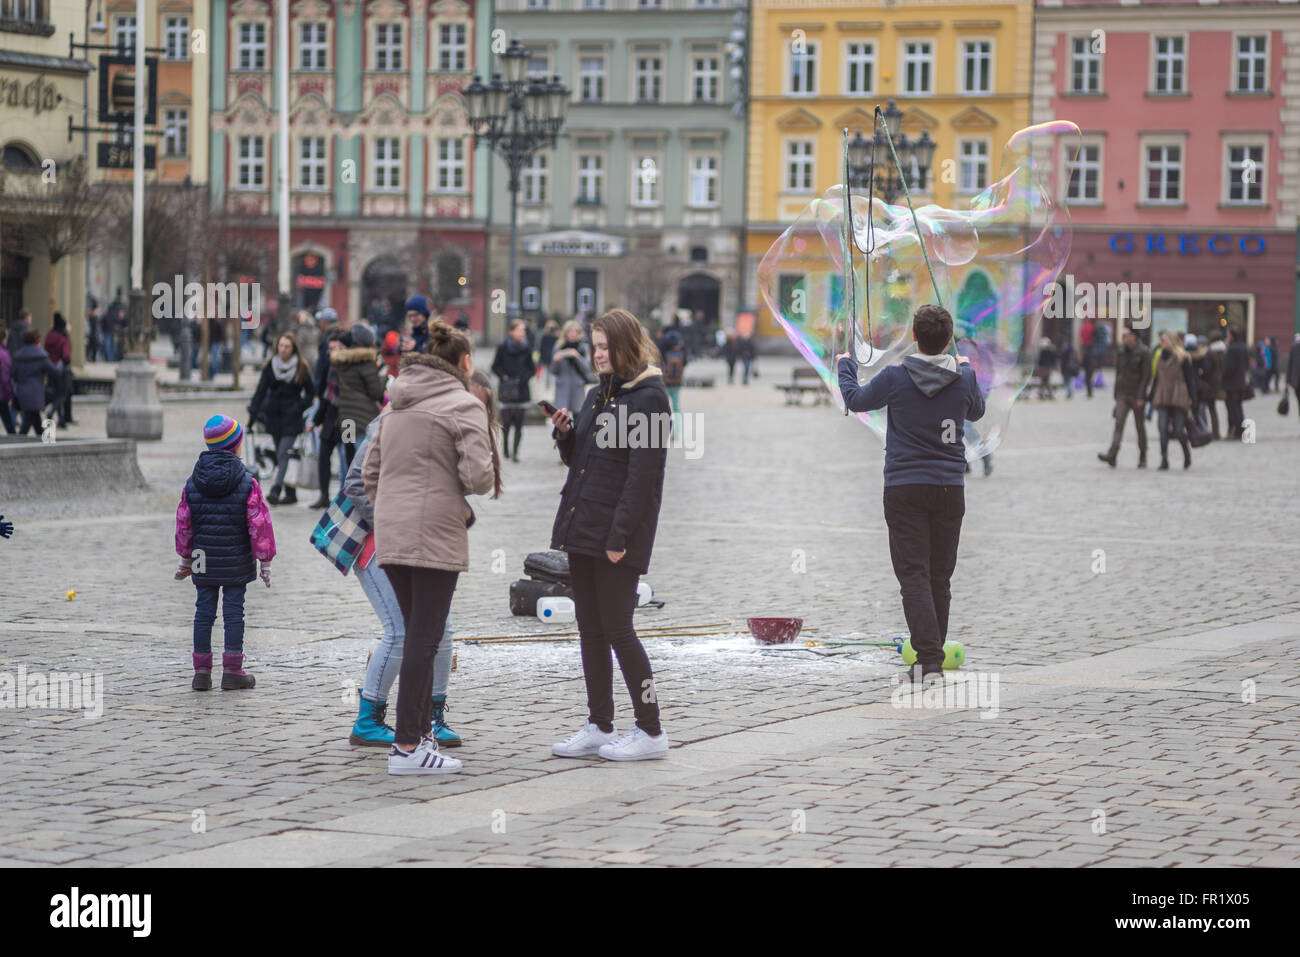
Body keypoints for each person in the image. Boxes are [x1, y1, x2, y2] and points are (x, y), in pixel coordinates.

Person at [362, 321, 497, 775]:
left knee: (421, 633)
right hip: (435, 533)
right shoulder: (462, 405)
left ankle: (417, 738)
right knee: (425, 636)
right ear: (463, 362)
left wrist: (391, 509)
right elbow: (480, 478)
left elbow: (369, 473)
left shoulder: (394, 403)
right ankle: (406, 746)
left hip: (392, 535)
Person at [835, 304, 985, 685]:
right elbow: (978, 412)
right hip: (950, 487)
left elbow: (855, 401)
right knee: (940, 575)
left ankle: (928, 660)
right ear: (948, 339)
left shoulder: (896, 378)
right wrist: (965, 368)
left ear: (915, 337)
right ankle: (931, 657)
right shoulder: (964, 377)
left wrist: (845, 366)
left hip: (905, 486)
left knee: (914, 574)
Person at [547, 309, 671, 761]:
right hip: (583, 525)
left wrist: (619, 536)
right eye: (594, 348)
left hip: (617, 535)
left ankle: (651, 730)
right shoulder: (598, 394)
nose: (598, 355)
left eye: (605, 348)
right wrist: (565, 436)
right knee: (590, 629)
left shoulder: (650, 398)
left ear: (626, 347)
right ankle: (599, 723)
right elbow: (581, 459)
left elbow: (644, 478)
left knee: (619, 628)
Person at [173, 415, 275, 691]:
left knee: (203, 612)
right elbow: (259, 524)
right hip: (236, 558)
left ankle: (201, 672)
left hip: (202, 559)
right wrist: (265, 560)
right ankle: (232, 670)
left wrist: (185, 558)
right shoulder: (247, 481)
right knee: (233, 613)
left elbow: (185, 523)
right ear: (236, 446)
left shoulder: (193, 482)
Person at [248, 333, 316, 505]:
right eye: (281, 346)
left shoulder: (301, 367)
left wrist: (300, 406)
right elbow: (260, 391)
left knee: (283, 452)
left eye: (287, 346)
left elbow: (311, 393)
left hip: (292, 417)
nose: (283, 349)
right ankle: (291, 492)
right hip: (274, 417)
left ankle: (276, 489)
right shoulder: (270, 366)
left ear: (293, 349)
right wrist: (252, 416)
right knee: (281, 455)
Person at [330, 324, 385, 471]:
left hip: (347, 418)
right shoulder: (367, 362)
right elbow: (376, 392)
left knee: (345, 455)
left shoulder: (343, 361)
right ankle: (359, 491)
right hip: (364, 418)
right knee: (362, 458)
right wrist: (383, 379)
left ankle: (344, 490)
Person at [1098, 327, 1151, 468]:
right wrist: (1116, 394)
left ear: (1134, 337)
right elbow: (1118, 373)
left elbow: (1146, 376)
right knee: (1118, 423)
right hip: (1123, 394)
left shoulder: (1144, 352)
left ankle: (1143, 455)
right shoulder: (1121, 351)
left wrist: (1141, 396)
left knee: (1139, 426)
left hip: (1136, 395)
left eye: (1126, 335)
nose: (1124, 338)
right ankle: (1112, 453)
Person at [1148, 331, 1197, 469]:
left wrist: (1194, 400)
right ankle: (1164, 459)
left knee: (1179, 430)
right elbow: (1157, 379)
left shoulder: (1183, 358)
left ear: (1170, 341)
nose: (1161, 343)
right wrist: (1151, 396)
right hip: (1163, 395)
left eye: (1163, 340)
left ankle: (1186, 452)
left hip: (1178, 395)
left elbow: (1190, 380)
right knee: (1162, 428)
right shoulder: (1159, 357)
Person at [492, 318, 534, 462]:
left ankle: (515, 452)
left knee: (519, 423)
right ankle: (505, 450)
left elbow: (532, 368)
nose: (523, 332)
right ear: (511, 331)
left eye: (524, 330)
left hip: (522, 389)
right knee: (506, 422)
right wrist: (503, 376)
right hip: (507, 389)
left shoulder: (527, 347)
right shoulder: (503, 347)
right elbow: (495, 366)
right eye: (520, 330)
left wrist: (524, 378)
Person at [12, 330, 58, 436]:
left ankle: (42, 441)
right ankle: (19, 442)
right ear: (37, 341)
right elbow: (53, 371)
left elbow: (13, 374)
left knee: (34, 417)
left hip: (22, 392)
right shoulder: (41, 356)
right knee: (29, 420)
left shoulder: (18, 356)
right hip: (36, 392)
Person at [551, 319, 593, 419]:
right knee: (562, 417)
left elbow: (587, 368)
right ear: (565, 333)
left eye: (575, 332)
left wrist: (577, 356)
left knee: (578, 417)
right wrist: (556, 361)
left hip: (577, 387)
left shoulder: (582, 347)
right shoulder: (558, 346)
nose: (573, 334)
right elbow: (553, 370)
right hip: (563, 387)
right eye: (570, 331)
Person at [43, 313, 73, 427]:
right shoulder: (63, 339)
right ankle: (51, 412)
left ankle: (61, 420)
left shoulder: (49, 336)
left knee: (56, 394)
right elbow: (66, 356)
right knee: (62, 395)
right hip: (61, 371)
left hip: (50, 368)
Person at [1222, 326, 1250, 440]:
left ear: (1231, 335)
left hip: (1231, 383)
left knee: (1233, 408)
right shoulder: (1243, 346)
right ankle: (1240, 429)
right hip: (1240, 381)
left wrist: (1223, 378)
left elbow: (1228, 367)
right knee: (1238, 406)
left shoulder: (1232, 348)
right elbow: (1247, 363)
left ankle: (1238, 430)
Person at [660, 328, 687, 416]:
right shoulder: (682, 352)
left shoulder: (663, 351)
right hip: (677, 382)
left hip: (665, 382)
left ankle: (665, 423)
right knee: (676, 405)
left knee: (664, 404)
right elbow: (685, 363)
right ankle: (677, 425)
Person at [1205, 331, 1226, 439]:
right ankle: (1228, 430)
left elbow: (1207, 369)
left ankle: (1215, 432)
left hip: (1211, 383)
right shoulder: (1225, 351)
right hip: (1223, 382)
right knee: (1228, 408)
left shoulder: (1210, 353)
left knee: (1212, 409)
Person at [0, 332, 14, 434]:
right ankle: (14, 438)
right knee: (8, 422)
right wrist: (10, 393)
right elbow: (5, 378)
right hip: (1, 393)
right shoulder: (4, 354)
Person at [538, 320, 559, 385]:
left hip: (553, 356)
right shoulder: (544, 336)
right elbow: (541, 347)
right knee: (544, 374)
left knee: (552, 374)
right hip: (545, 357)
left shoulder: (557, 337)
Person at [1288, 333, 1300, 421]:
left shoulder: (1294, 348)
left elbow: (1290, 365)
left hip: (1296, 382)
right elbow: (1290, 365)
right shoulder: (1294, 348)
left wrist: (1287, 381)